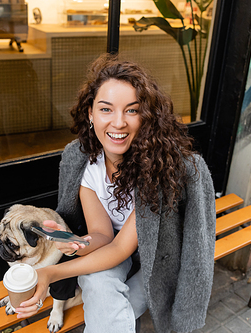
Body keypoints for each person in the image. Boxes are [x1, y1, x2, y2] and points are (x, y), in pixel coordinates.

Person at [16, 54, 216, 333]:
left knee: (103, 301)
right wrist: (79, 242)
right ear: (90, 113)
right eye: (106, 109)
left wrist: (52, 272)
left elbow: (123, 247)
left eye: (132, 110)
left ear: (146, 117)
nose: (118, 123)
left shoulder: (159, 166)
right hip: (114, 251)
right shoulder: (83, 162)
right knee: (102, 294)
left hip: (155, 262)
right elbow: (103, 235)